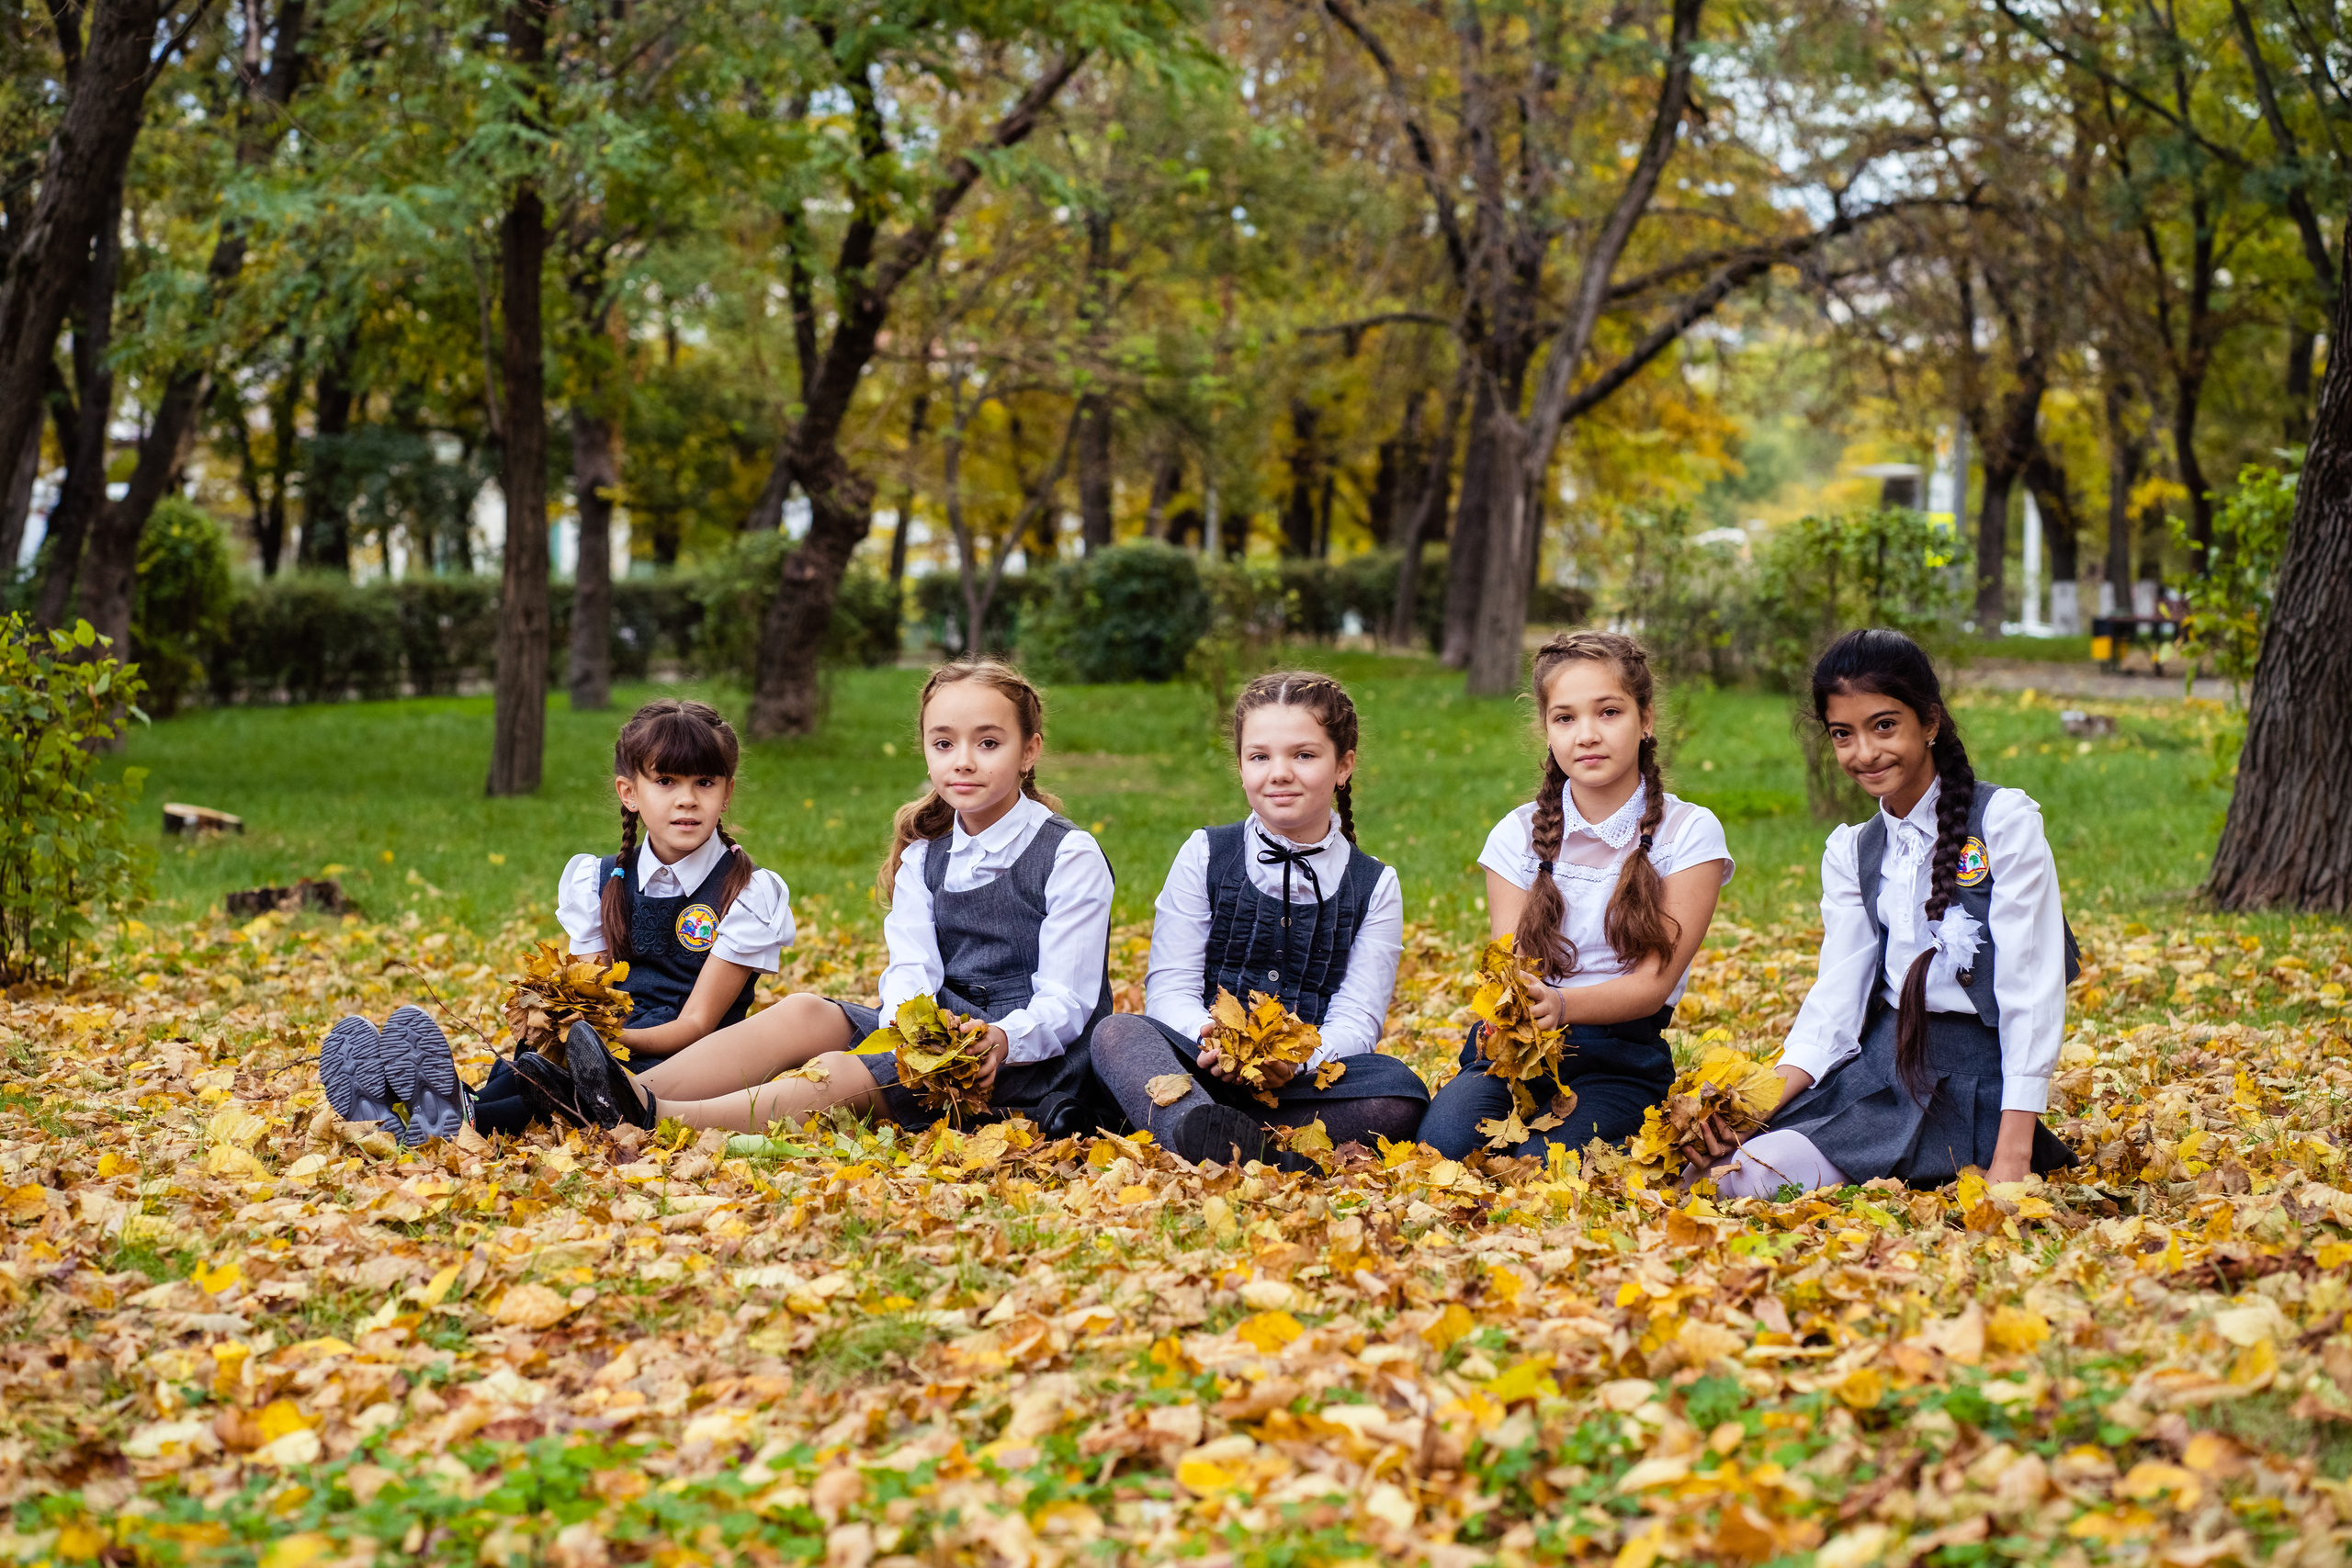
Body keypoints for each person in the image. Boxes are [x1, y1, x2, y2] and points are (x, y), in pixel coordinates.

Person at [550, 660, 1118, 1136]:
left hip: (1027, 1058)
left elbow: (1068, 1003)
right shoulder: (926, 855)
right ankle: (609, 1092)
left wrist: (996, 1038)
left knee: (838, 1070)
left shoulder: (1068, 855)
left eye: (988, 743)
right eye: (944, 743)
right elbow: (910, 970)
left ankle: (659, 1116)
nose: (963, 760)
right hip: (935, 1036)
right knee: (803, 1012)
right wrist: (909, 1032)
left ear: (1029, 751)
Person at [319, 698, 793, 1142]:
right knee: (536, 1061)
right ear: (629, 792)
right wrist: (562, 1020)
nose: (687, 800)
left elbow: (697, 1023)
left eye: (704, 783)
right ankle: (399, 1104)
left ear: (727, 793)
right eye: (666, 782)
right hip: (609, 1032)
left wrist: (599, 1038)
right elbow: (592, 989)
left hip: (687, 1057)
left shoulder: (746, 891)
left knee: (583, 1076)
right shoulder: (600, 878)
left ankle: (462, 1116)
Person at [1710, 627, 2077, 1199]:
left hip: (1972, 1080)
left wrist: (2014, 1154)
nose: (1865, 753)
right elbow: (1837, 1001)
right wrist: (1755, 1104)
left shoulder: (2003, 823)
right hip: (1881, 1067)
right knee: (1719, 1170)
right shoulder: (1854, 849)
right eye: (1843, 734)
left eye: (1884, 725)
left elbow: (2032, 988)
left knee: (1753, 1180)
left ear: (1929, 722)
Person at [1087, 671, 1428, 1168]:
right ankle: (1209, 1130)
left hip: (1301, 1087)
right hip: (1200, 1066)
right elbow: (1169, 990)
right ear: (1242, 765)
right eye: (1260, 756)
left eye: (1304, 755)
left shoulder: (1374, 883)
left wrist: (1295, 1061)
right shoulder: (1206, 852)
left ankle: (1211, 1138)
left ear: (1343, 766)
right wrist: (1218, 1045)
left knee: (1400, 1094)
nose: (1280, 772)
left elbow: (1357, 1021)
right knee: (1117, 1034)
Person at [1419, 631, 1732, 1160]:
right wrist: (1521, 1003)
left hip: (1621, 1058)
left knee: (1543, 1164)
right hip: (1523, 1050)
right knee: (1445, 1146)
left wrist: (1562, 1004)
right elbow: (1513, 964)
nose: (1586, 735)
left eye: (1608, 712)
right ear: (1547, 730)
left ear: (1646, 720)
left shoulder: (1689, 833)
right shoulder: (1517, 834)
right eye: (1565, 718)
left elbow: (1653, 986)